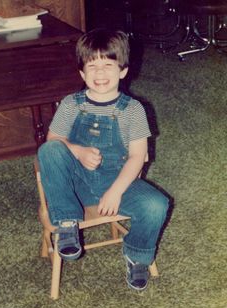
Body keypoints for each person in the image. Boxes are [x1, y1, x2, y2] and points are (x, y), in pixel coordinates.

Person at [38, 28, 169, 291]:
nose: (100, 73)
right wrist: (78, 151)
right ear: (82, 73)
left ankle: (137, 255)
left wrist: (115, 192)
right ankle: (67, 222)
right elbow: (53, 138)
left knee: (157, 204)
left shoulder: (132, 110)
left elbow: (137, 156)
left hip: (118, 181)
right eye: (92, 66)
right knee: (48, 151)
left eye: (108, 65)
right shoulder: (71, 104)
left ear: (123, 71)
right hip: (75, 184)